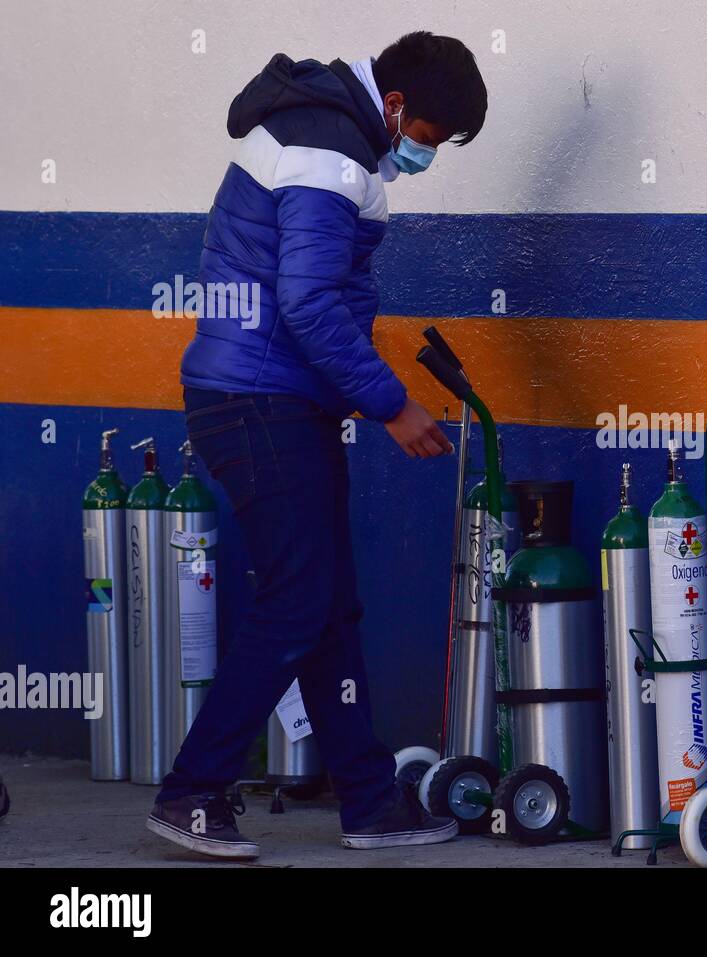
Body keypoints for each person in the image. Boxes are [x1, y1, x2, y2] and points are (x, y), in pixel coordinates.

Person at [147, 32, 488, 859]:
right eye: (430, 140)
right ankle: (192, 792)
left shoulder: (338, 136)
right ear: (399, 107)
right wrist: (392, 404)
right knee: (300, 600)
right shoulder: (328, 151)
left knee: (328, 604)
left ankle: (369, 801)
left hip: (275, 398)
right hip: (256, 399)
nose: (422, 156)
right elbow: (307, 305)